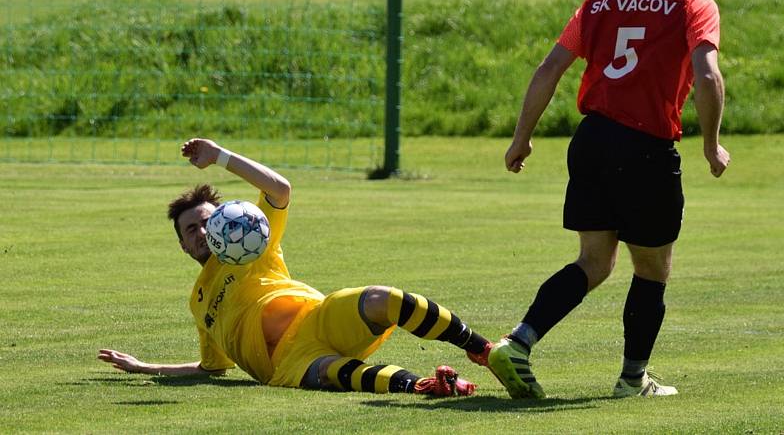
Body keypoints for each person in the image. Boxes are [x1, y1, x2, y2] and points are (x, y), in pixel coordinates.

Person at [484, 0, 730, 399]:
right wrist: (710, 144)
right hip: (646, 148)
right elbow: (707, 75)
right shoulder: (693, 2)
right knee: (652, 267)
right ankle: (632, 379)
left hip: (592, 140)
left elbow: (550, 67)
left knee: (593, 263)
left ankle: (516, 343)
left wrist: (521, 138)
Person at [98, 138, 500, 398]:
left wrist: (220, 157)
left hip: (317, 317)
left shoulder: (252, 238)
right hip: (286, 363)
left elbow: (280, 190)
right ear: (183, 245)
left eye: (207, 221)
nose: (202, 231)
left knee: (382, 298)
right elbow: (211, 368)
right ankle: (425, 386)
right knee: (335, 372)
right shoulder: (199, 301)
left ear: (225, 221)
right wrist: (143, 366)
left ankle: (482, 348)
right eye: (191, 229)